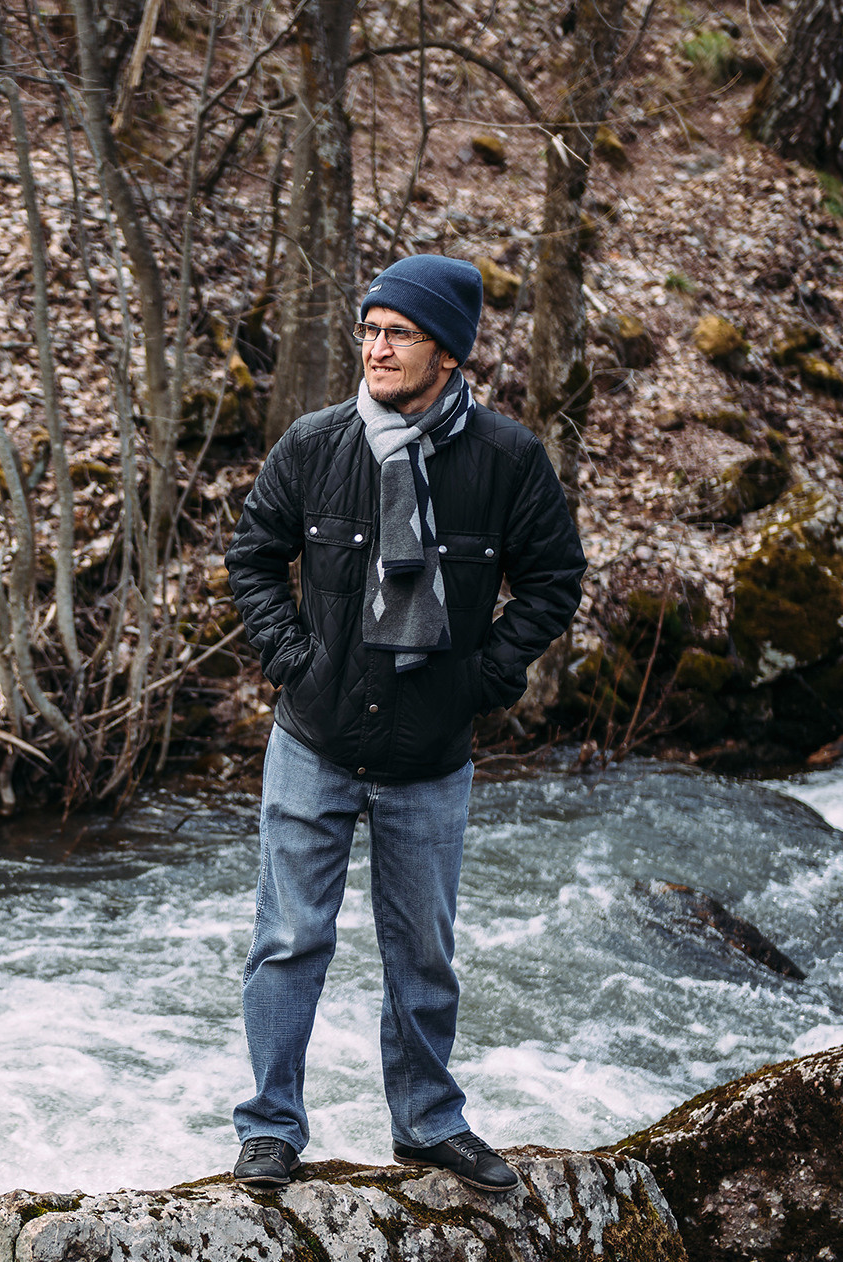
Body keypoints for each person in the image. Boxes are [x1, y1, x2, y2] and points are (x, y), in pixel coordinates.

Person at [223, 253, 585, 1190]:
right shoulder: (314, 443)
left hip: (431, 751)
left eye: (400, 334)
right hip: (315, 738)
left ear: (449, 356)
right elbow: (252, 557)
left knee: (422, 951)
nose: (377, 349)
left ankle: (427, 1120)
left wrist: (484, 678)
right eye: (370, 330)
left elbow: (554, 580)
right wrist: (294, 659)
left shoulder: (506, 460)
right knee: (290, 938)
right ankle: (270, 1127)